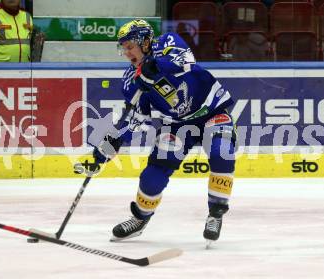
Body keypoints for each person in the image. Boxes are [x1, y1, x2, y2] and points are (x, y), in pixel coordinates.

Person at [93, 19, 237, 245]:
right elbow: (133, 120)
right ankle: (140, 218)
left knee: (222, 152)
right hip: (178, 124)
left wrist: (156, 70)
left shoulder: (168, 42)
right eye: (123, 48)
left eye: (130, 45)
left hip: (211, 110)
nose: (126, 52)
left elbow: (186, 63)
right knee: (152, 176)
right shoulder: (132, 81)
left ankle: (215, 214)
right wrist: (108, 147)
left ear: (145, 41)